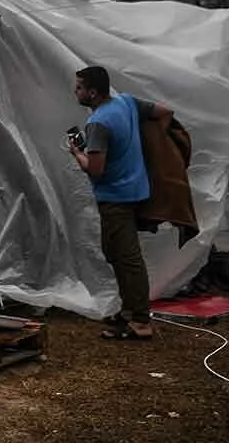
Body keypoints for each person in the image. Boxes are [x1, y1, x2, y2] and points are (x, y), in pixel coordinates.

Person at [70, 66, 172, 341]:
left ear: (92, 92)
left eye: (79, 87)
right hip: (136, 190)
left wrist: (77, 154)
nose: (75, 91)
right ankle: (130, 310)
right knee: (114, 252)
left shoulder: (98, 124)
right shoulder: (126, 102)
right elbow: (164, 112)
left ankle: (140, 320)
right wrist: (155, 149)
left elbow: (96, 170)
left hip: (116, 198)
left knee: (127, 259)